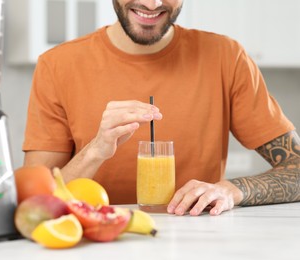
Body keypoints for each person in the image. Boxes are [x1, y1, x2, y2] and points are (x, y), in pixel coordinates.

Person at [22, 0, 300, 216]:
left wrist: (232, 190)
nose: (152, 4)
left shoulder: (226, 57)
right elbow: (36, 202)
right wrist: (95, 150)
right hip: (94, 243)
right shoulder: (57, 66)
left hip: (200, 242)